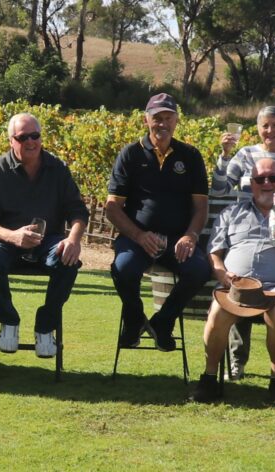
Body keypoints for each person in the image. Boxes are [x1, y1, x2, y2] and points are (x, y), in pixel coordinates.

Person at [190, 159, 275, 405]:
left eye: (273, 178)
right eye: (260, 179)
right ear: (251, 184)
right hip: (237, 287)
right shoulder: (232, 213)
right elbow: (214, 252)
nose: (267, 184)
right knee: (219, 309)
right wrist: (221, 273)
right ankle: (209, 378)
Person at [211, 105, 275, 382]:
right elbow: (219, 188)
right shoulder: (244, 155)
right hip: (246, 230)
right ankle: (236, 362)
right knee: (241, 284)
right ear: (258, 129)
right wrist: (225, 155)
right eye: (265, 125)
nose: (270, 131)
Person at [0, 113, 88, 357]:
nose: (30, 142)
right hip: (6, 241)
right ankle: (8, 320)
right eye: (23, 137)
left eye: (35, 135)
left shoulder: (58, 169)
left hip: (48, 241)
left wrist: (73, 240)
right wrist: (13, 236)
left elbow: (78, 211)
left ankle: (47, 326)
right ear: (11, 141)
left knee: (68, 260)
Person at [106, 92, 211, 351]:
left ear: (176, 120)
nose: (162, 123)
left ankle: (162, 323)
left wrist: (190, 236)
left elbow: (201, 207)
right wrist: (139, 236)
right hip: (137, 239)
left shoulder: (190, 156)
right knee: (123, 269)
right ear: (146, 120)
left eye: (168, 117)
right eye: (157, 118)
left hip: (177, 240)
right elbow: (112, 208)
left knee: (200, 270)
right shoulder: (130, 155)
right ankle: (133, 321)